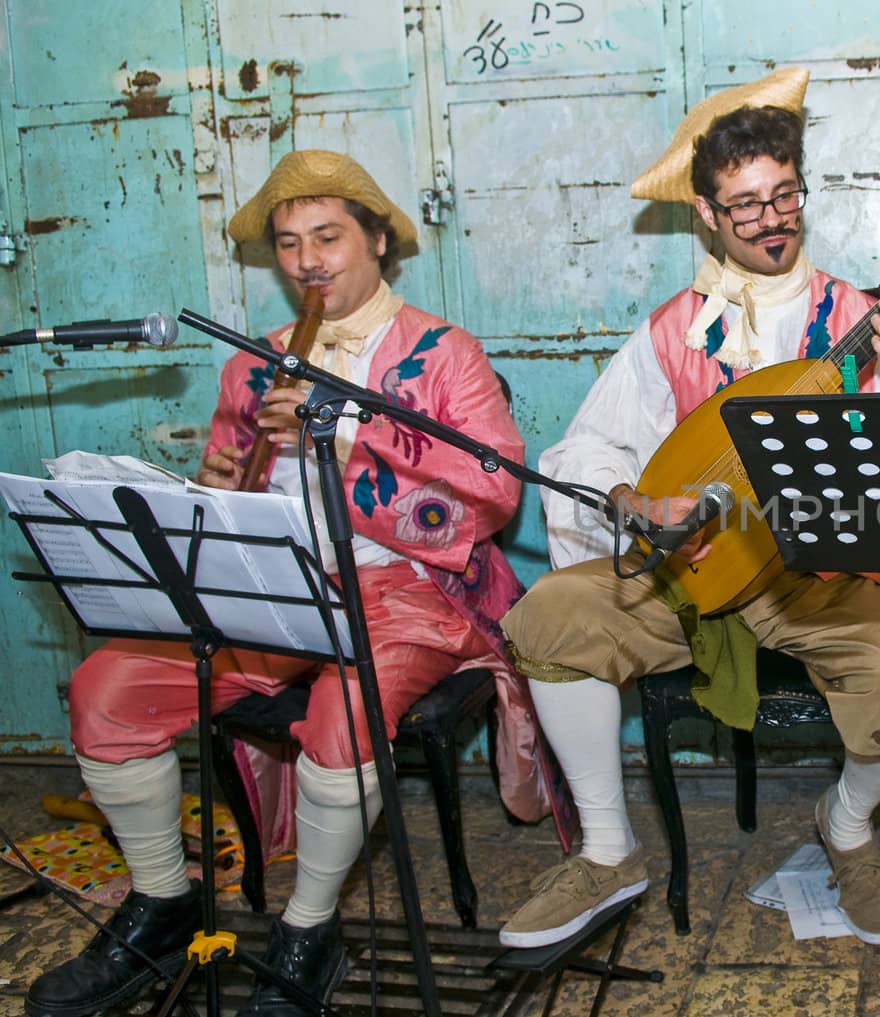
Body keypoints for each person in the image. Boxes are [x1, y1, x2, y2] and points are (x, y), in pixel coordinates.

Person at [26, 150, 571, 1017]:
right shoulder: (255, 361)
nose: (310, 260)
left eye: (329, 237)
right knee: (106, 688)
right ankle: (163, 905)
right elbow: (223, 496)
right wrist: (215, 483)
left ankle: (309, 932)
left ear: (378, 241)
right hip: (267, 584)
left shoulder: (442, 352)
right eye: (289, 243)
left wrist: (345, 439)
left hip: (408, 586)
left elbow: (495, 492)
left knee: (345, 710)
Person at [496, 67, 880, 950]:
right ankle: (607, 851)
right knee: (547, 616)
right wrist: (635, 498)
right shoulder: (675, 327)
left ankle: (848, 820)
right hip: (702, 567)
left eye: (783, 194)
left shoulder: (864, 320)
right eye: (744, 204)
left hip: (827, 579)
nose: (770, 219)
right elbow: (586, 449)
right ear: (707, 215)